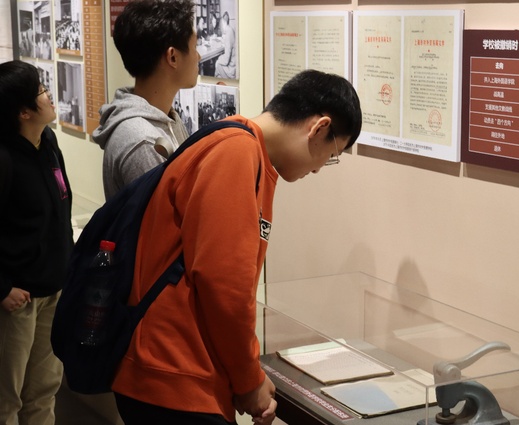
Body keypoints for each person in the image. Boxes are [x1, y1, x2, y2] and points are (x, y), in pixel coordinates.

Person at [111, 69, 362, 425]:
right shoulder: (237, 152)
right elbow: (224, 285)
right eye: (332, 154)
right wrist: (249, 381)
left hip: (178, 372)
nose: (321, 169)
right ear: (319, 128)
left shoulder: (244, 147)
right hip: (174, 375)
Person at [0, 60, 73, 425]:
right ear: (24, 111)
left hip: (53, 289)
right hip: (18, 299)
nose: (49, 95)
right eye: (42, 91)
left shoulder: (48, 142)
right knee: (6, 399)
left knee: (44, 390)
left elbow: (60, 209)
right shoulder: (4, 159)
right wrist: (2, 288)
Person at [92, 0, 200, 200]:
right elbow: (165, 216)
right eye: (194, 47)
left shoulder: (166, 119)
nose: (198, 57)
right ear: (173, 57)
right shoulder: (142, 141)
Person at [214, 11, 237, 79]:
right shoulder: (230, 29)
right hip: (234, 65)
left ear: (224, 23)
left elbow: (226, 60)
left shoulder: (228, 33)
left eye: (221, 24)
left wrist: (218, 59)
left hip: (232, 69)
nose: (221, 27)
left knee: (217, 64)